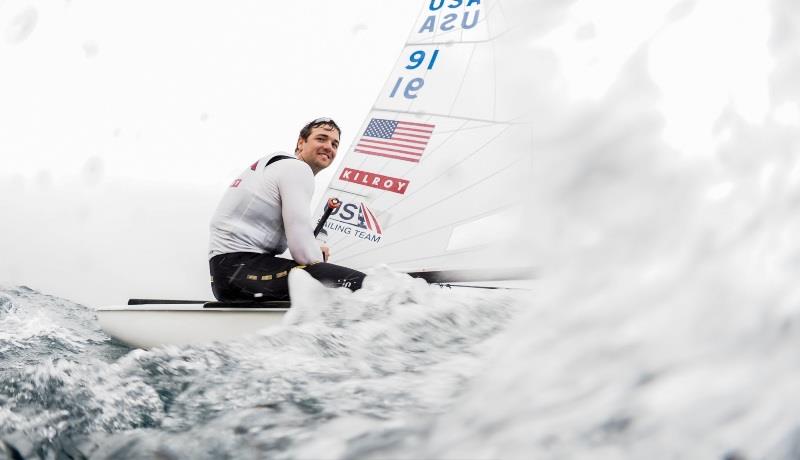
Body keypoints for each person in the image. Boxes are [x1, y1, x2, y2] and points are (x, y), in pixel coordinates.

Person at [208, 117, 366, 301]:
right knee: (369, 287)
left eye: (334, 144)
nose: (329, 147)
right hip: (242, 273)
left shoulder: (279, 165)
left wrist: (313, 251)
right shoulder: (297, 169)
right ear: (301, 142)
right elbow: (303, 252)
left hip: (230, 276)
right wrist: (317, 259)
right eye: (321, 139)